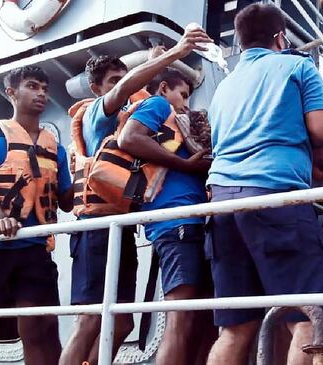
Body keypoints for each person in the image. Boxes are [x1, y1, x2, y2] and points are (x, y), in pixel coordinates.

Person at [61, 26, 209, 365]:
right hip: (95, 227)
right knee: (91, 319)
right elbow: (129, 115)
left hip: (121, 226)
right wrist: (173, 54)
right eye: (113, 82)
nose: (121, 89)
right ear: (96, 87)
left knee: (121, 319)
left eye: (123, 81)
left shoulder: (132, 112)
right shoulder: (99, 112)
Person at [204, 4, 323, 365]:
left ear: (242, 41)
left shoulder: (223, 87)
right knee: (308, 319)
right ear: (281, 37)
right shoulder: (297, 65)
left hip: (221, 205)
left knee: (236, 328)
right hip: (275, 196)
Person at [0, 66, 73, 365]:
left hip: (34, 248)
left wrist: (86, 173)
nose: (41, 94)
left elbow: (67, 202)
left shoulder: (55, 148)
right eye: (33, 87)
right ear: (11, 93)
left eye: (44, 88)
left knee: (37, 330)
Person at [117, 62, 215, 364]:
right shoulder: (158, 104)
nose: (186, 104)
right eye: (183, 95)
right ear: (164, 89)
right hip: (176, 222)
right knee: (180, 317)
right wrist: (186, 165)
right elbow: (129, 138)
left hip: (189, 222)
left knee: (199, 318)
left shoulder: (175, 122)